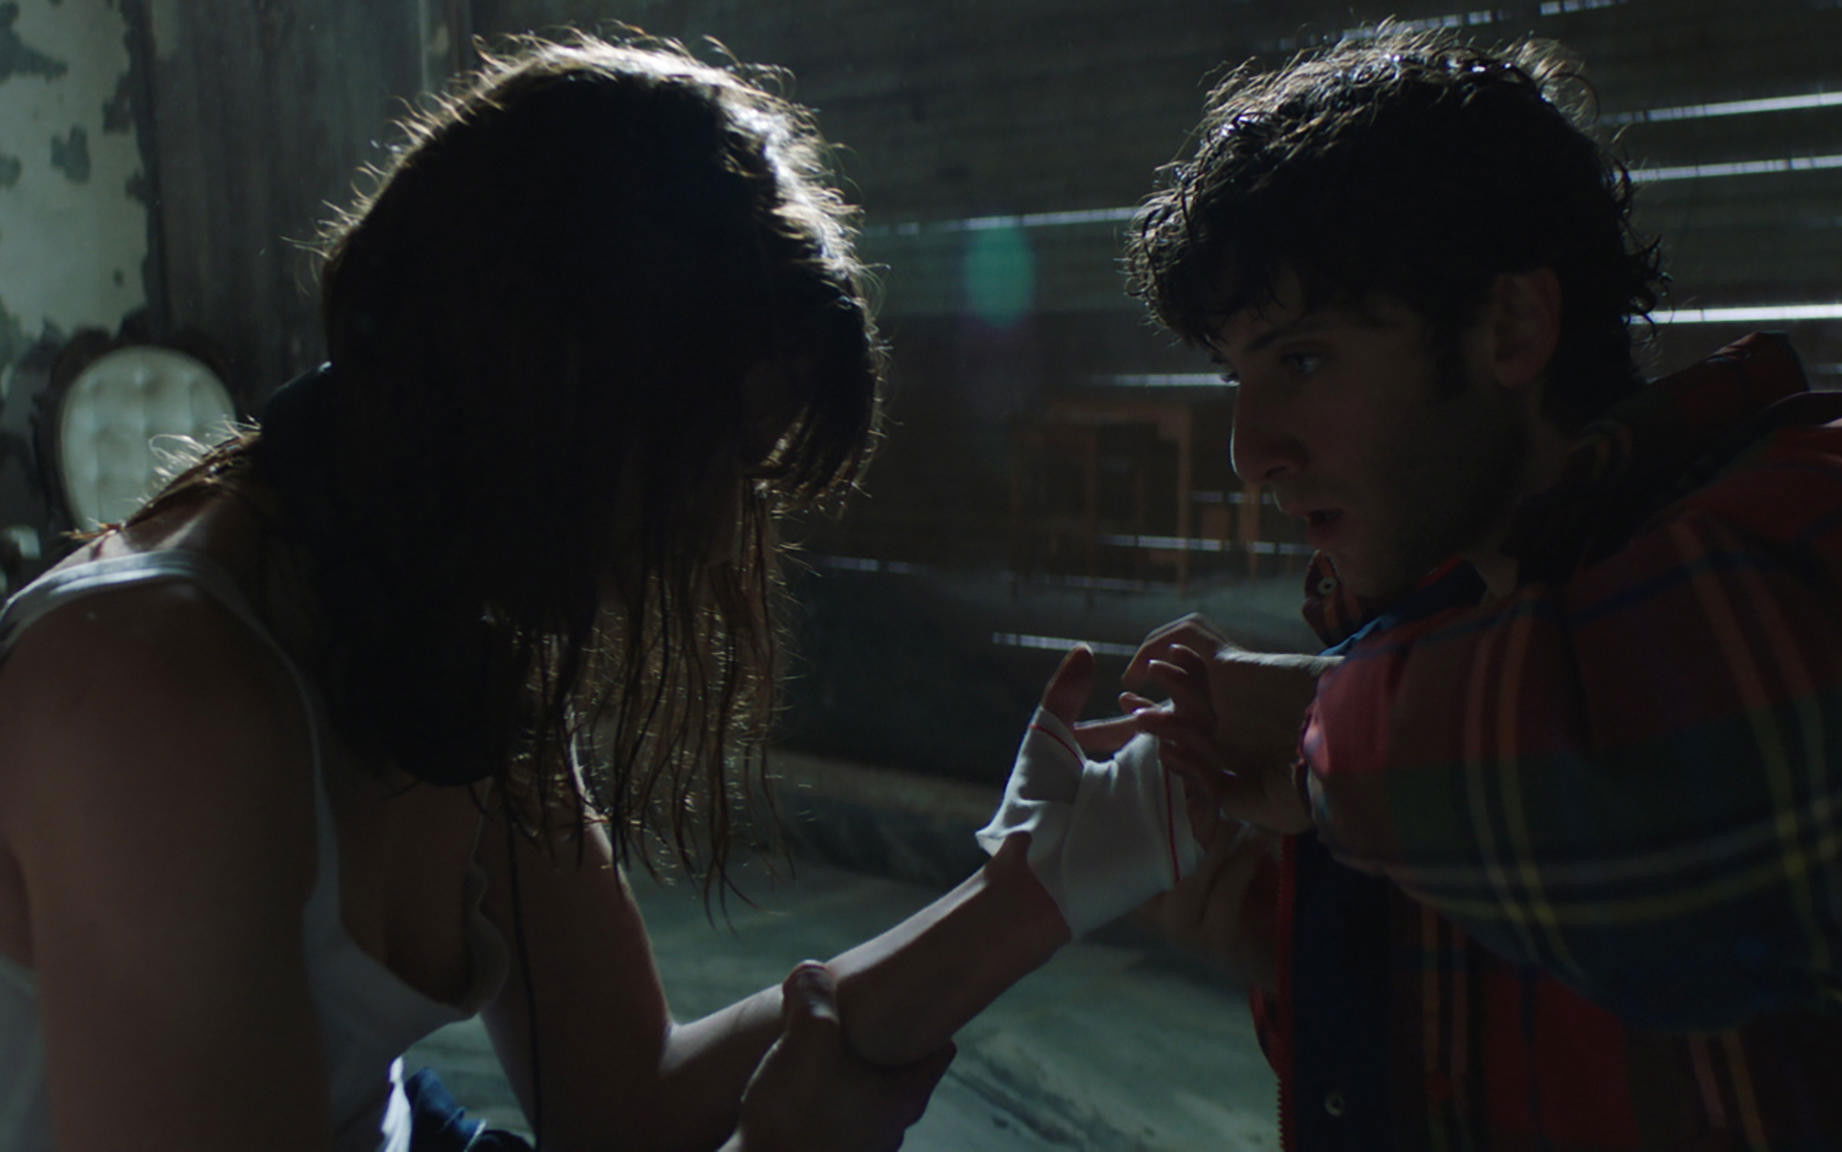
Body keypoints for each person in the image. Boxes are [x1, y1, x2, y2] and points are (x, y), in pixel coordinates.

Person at [0, 32, 1200, 1152]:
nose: (712, 535)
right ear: (543, 400)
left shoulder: (448, 623)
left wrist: (1045, 883)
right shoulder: (145, 697)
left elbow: (624, 1100)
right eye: (708, 468)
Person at [1100, 26, 1842, 1150]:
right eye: (1236, 375)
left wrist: (1309, 728)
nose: (1248, 452)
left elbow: (1653, 778)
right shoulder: (1416, 696)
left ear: (1509, 327)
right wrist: (1306, 950)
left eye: (1301, 359)